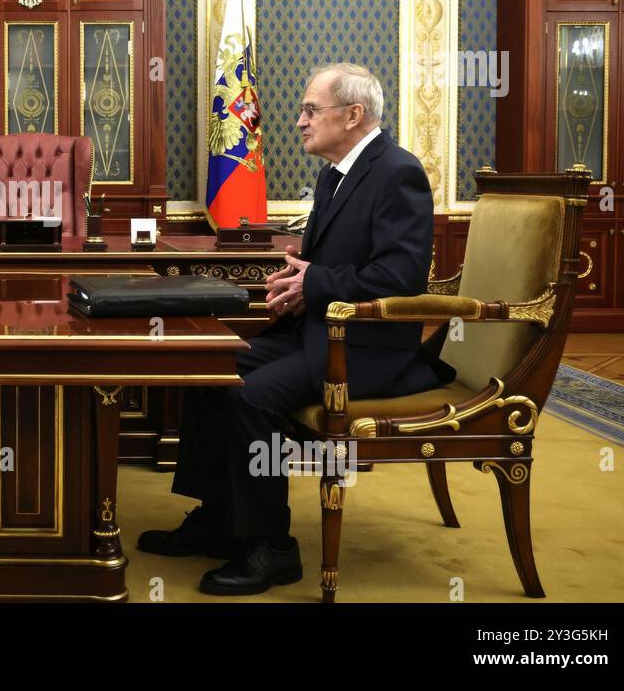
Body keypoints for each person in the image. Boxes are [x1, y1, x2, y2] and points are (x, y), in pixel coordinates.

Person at [138, 62, 455, 595]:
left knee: (250, 397)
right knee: (209, 371)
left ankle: (272, 548)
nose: (300, 121)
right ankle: (218, 518)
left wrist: (316, 284)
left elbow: (400, 277)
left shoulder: (397, 171)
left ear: (352, 115)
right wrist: (297, 286)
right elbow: (331, 269)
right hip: (317, 334)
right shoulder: (336, 173)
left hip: (364, 350)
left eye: (311, 110)